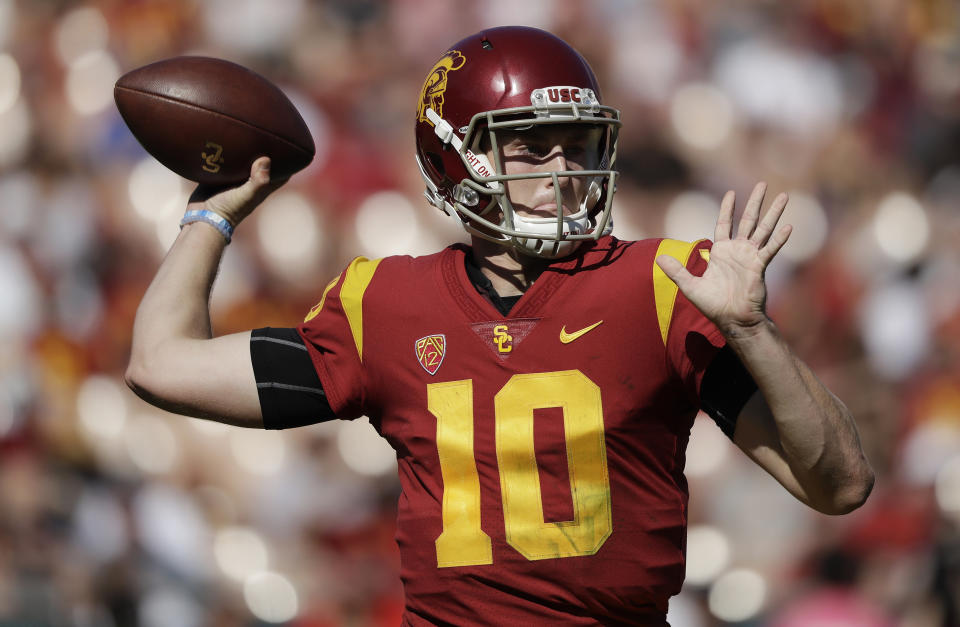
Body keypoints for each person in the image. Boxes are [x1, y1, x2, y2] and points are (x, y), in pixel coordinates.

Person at [125, 26, 874, 626]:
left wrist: (753, 330)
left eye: (576, 145)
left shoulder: (661, 285)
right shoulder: (385, 303)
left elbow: (839, 484)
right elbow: (161, 364)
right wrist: (210, 217)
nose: (560, 170)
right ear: (455, 160)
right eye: (529, 145)